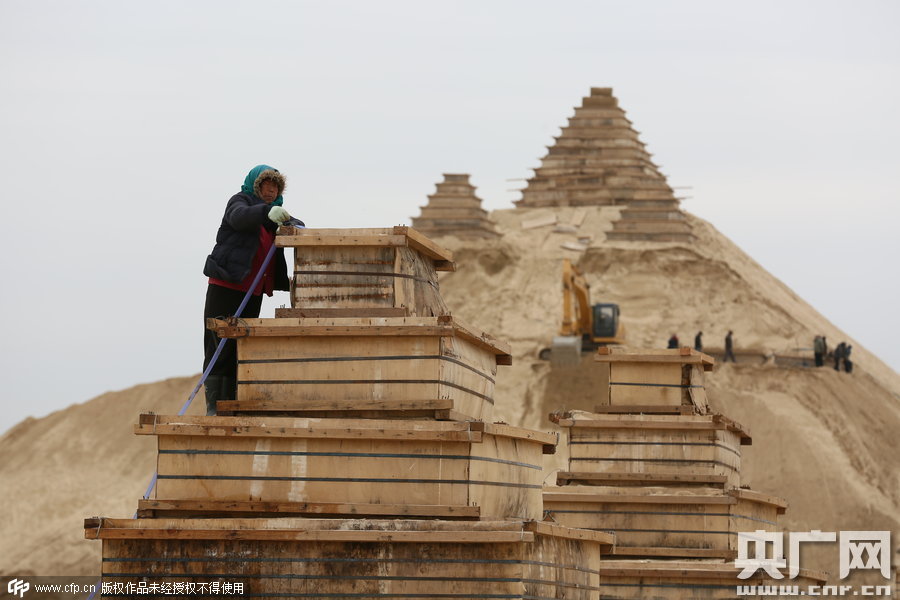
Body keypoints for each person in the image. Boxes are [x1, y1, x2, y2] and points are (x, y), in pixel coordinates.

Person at [202, 165, 299, 416]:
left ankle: (233, 404)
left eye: (275, 186)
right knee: (219, 344)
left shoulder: (274, 215)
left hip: (253, 291)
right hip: (227, 285)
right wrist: (268, 211)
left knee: (241, 347)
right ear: (255, 186)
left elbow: (295, 224)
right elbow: (239, 216)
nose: (270, 190)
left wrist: (290, 223)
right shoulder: (241, 202)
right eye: (266, 184)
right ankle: (215, 405)